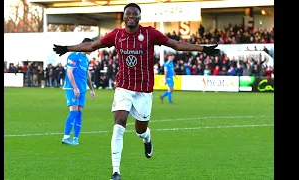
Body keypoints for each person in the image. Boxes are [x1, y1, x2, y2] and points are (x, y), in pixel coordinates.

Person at [53, 3, 220, 179]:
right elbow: (92, 46)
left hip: (144, 90)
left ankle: (147, 139)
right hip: (123, 87)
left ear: (139, 17)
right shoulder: (116, 35)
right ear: (123, 17)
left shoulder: (149, 33)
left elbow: (176, 44)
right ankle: (116, 171)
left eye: (135, 14)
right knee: (119, 123)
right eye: (128, 14)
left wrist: (203, 48)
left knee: (140, 130)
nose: (131, 16)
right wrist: (67, 48)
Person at [61, 38, 95, 146]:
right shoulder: (73, 56)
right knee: (74, 111)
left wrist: (92, 89)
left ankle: (75, 138)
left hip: (82, 89)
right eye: (91, 46)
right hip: (72, 88)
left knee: (80, 113)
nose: (93, 49)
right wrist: (75, 87)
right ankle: (66, 137)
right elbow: (69, 72)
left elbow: (87, 74)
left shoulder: (86, 59)